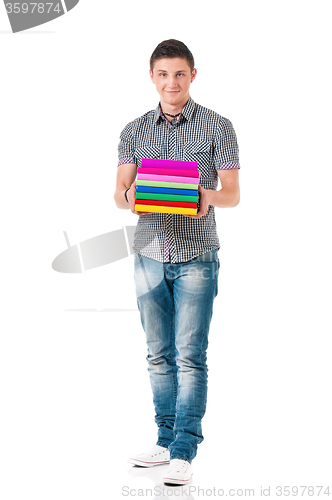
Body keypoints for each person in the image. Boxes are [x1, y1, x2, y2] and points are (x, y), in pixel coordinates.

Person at [114, 39, 240, 485]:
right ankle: (164, 440)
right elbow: (119, 194)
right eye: (163, 74)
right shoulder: (133, 130)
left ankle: (185, 448)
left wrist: (203, 196)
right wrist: (133, 196)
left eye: (180, 74)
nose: (171, 82)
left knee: (190, 355)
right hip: (149, 252)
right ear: (152, 77)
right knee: (156, 354)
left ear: (193, 75)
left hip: (196, 255)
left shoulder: (217, 127)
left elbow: (233, 194)